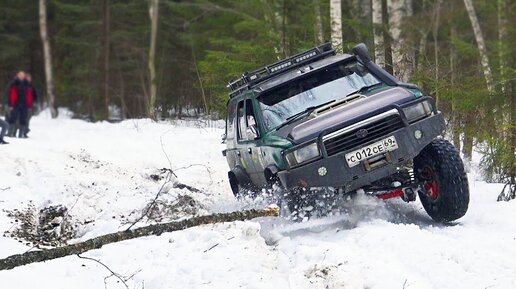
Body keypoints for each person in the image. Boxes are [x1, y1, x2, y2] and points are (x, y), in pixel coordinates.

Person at [6, 71, 32, 138]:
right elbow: (11, 94)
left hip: (24, 104)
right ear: (17, 75)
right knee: (13, 118)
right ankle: (10, 133)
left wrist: (29, 104)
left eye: (23, 75)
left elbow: (29, 95)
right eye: (20, 75)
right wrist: (11, 104)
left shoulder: (27, 84)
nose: (21, 76)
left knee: (23, 119)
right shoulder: (14, 83)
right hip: (15, 104)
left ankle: (21, 134)